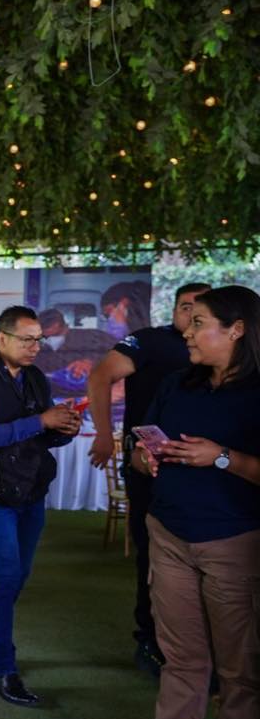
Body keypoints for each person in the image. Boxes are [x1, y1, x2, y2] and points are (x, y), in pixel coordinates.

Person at [122, 285, 260, 719]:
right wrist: (143, 453)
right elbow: (141, 441)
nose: (185, 330)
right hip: (169, 534)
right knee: (181, 662)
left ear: (236, 330)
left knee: (242, 673)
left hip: (234, 541)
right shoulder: (178, 382)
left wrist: (221, 457)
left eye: (198, 321)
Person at [0, 305, 81, 706]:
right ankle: (4, 669)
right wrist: (42, 421)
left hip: (31, 490)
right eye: (27, 339)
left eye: (38, 339)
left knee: (18, 573)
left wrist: (63, 429)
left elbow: (43, 436)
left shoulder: (36, 379)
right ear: (2, 338)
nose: (35, 347)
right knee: (6, 575)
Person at [86, 283, 210, 677]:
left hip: (205, 474)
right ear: (173, 309)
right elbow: (101, 376)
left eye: (201, 310)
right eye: (185, 307)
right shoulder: (150, 341)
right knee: (153, 556)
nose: (191, 316)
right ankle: (150, 639)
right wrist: (105, 434)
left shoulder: (221, 355)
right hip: (149, 469)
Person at [33, 307, 114, 398]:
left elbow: (121, 352)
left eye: (44, 329)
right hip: (57, 399)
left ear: (56, 325)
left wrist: (91, 361)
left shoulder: (91, 336)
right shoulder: (42, 348)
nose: (42, 333)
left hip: (90, 397)